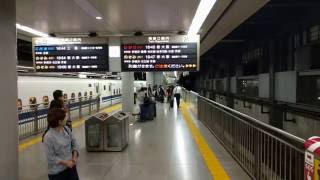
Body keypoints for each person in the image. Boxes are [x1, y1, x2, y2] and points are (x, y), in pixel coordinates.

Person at [43, 108, 79, 180]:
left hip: (71, 168)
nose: (66, 118)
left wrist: (74, 157)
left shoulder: (66, 129)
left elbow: (74, 143)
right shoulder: (48, 137)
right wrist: (66, 163)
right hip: (57, 173)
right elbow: (51, 158)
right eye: (64, 117)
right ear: (59, 121)